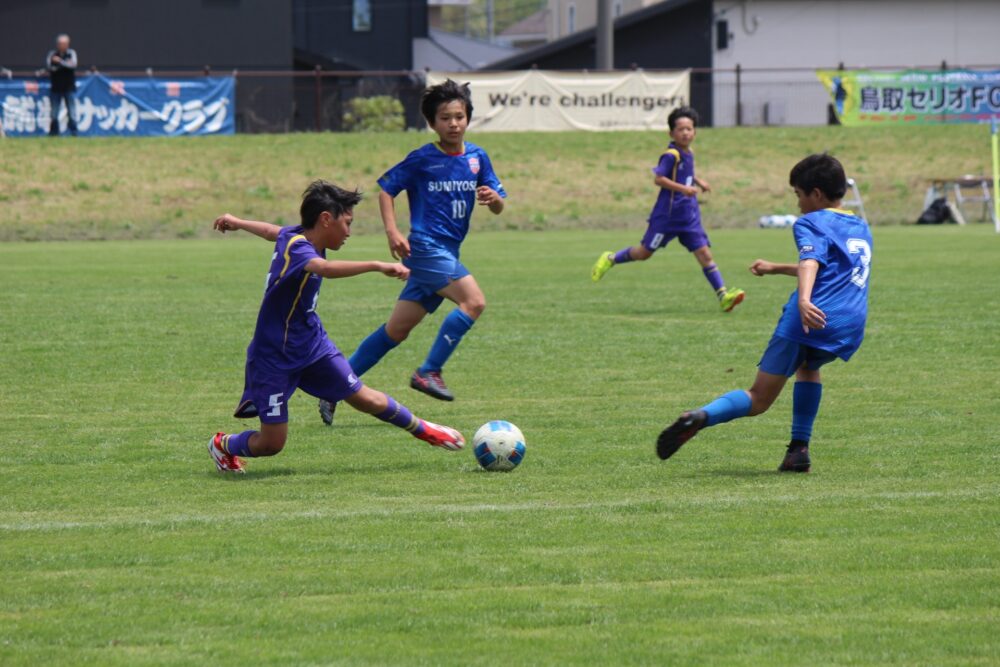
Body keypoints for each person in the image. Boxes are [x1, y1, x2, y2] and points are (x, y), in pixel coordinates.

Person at [207, 180, 465, 474]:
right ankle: (222, 444)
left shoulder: (293, 235)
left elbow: (271, 231)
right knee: (271, 444)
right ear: (326, 219)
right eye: (347, 223)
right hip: (273, 357)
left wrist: (238, 222)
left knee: (362, 397)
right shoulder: (300, 249)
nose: (349, 232)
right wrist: (377, 265)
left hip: (312, 345)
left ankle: (425, 430)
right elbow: (325, 269)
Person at [655, 154, 872, 472]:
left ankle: (699, 416)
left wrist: (804, 300)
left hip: (809, 317)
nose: (798, 204)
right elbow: (831, 269)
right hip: (848, 322)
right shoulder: (860, 226)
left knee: (759, 398)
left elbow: (810, 262)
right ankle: (798, 450)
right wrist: (775, 268)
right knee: (808, 367)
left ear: (815, 194)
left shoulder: (810, 222)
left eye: (798, 194)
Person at [317, 79, 505, 426]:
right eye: (445, 118)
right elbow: (387, 189)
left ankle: (334, 388)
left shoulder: (478, 158)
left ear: (468, 118)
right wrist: (392, 231)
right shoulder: (423, 159)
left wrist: (494, 200)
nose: (453, 124)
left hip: (446, 252)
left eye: (459, 117)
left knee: (396, 331)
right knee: (474, 302)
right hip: (425, 248)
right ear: (432, 123)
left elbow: (497, 204)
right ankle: (429, 371)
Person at [590, 106, 745, 312]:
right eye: (680, 129)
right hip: (667, 217)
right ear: (671, 133)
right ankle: (611, 258)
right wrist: (684, 189)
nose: (685, 133)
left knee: (705, 255)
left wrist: (698, 181)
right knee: (644, 253)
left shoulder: (689, 153)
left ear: (695, 132)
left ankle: (724, 296)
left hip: (688, 217)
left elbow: (684, 173)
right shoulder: (671, 155)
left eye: (689, 129)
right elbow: (659, 178)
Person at [45, 34, 78, 137]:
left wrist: (60, 62)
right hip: (56, 88)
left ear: (68, 44)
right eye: (60, 44)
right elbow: (49, 67)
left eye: (64, 44)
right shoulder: (52, 54)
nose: (62, 46)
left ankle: (74, 133)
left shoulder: (71, 53)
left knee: (72, 111)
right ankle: (54, 133)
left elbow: (73, 65)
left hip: (69, 88)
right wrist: (63, 65)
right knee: (54, 112)